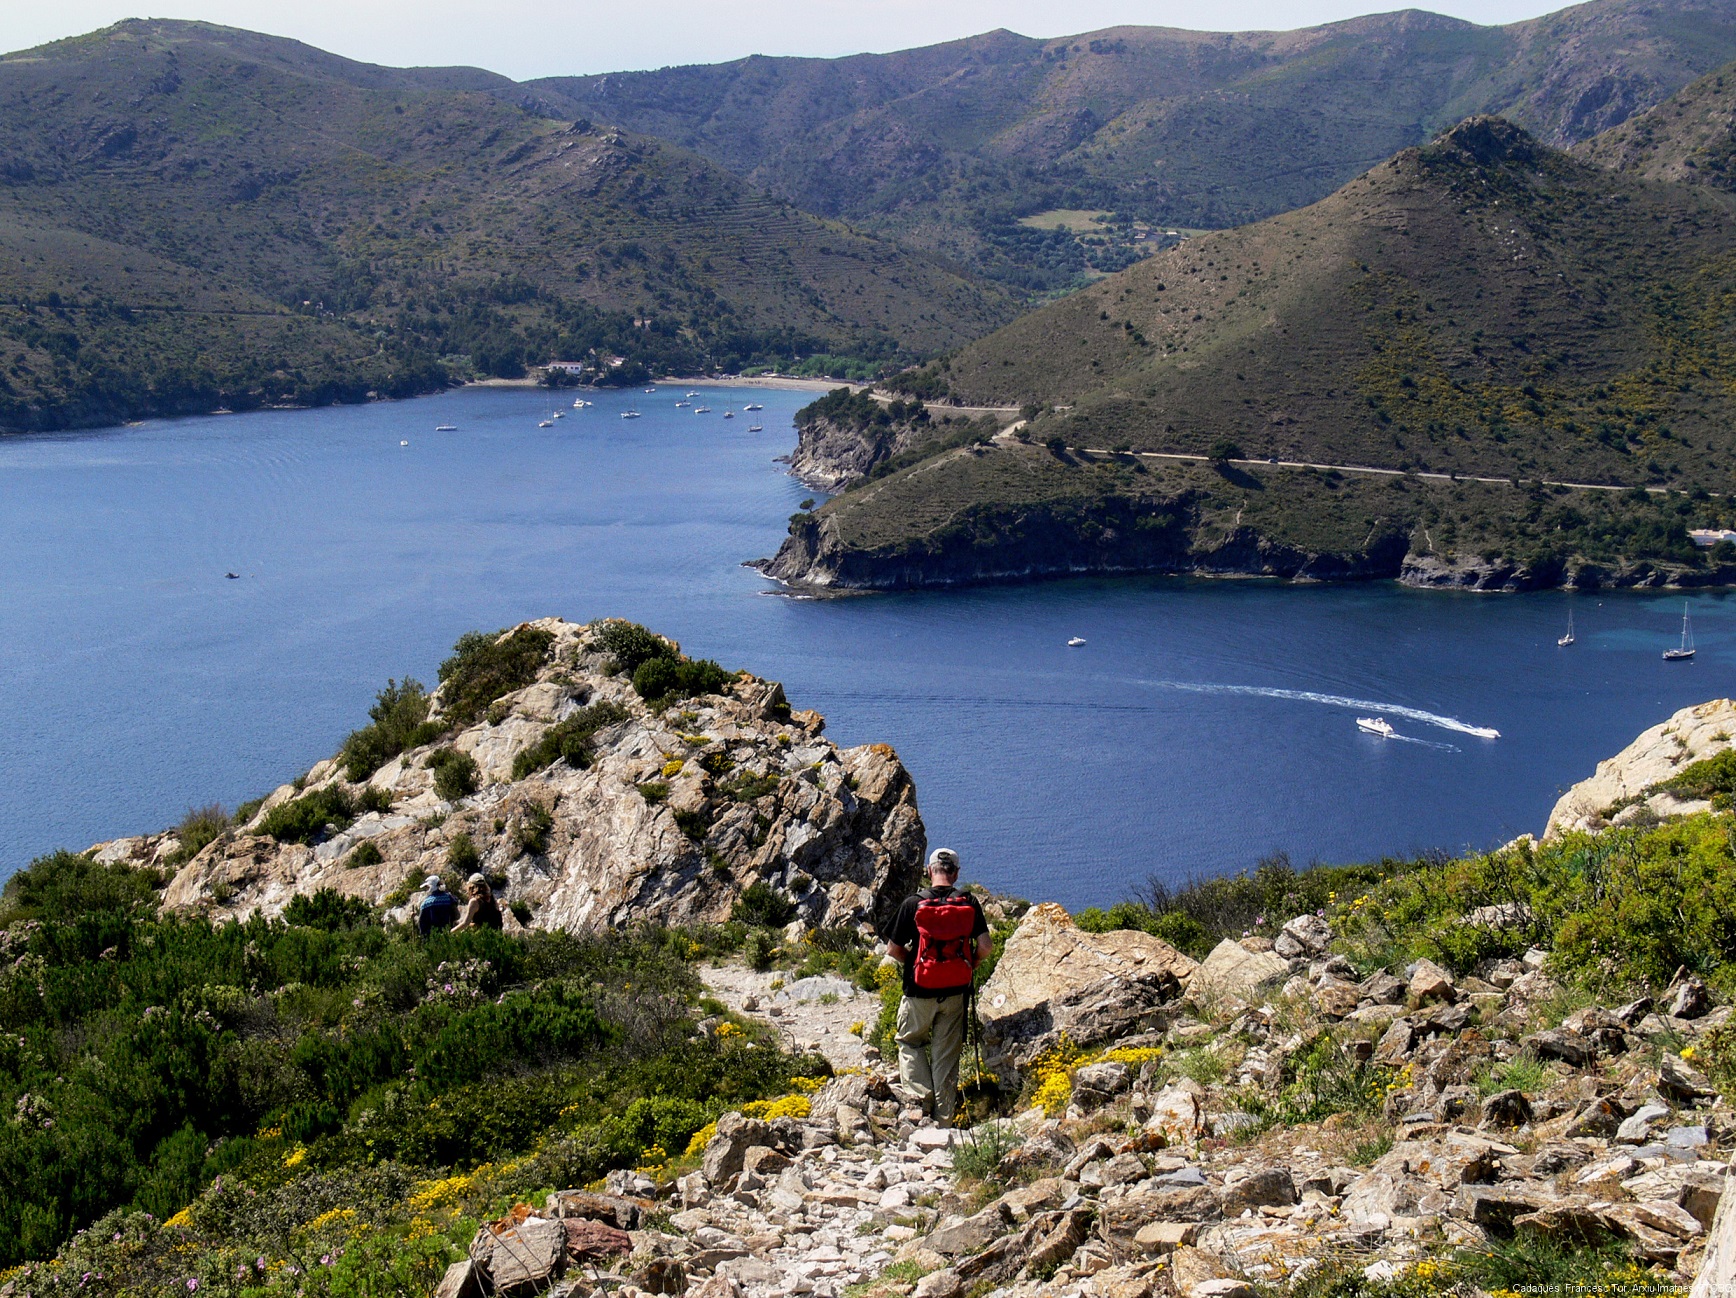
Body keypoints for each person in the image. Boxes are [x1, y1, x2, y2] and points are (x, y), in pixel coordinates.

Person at [885, 847, 991, 1125]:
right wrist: (972, 965)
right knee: (946, 1055)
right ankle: (944, 1119)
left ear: (929, 871)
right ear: (956, 873)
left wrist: (914, 964)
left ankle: (920, 1107)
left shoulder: (913, 903)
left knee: (910, 1041)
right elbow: (985, 947)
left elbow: (893, 949)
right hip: (956, 990)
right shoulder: (969, 903)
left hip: (919, 990)